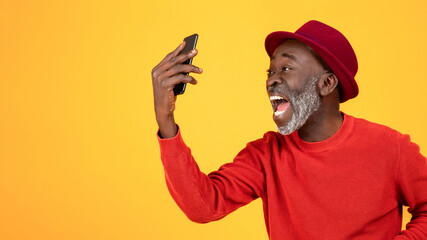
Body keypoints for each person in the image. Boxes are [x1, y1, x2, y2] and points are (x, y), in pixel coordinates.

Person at [151, 20, 427, 239]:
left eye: (286, 68)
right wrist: (166, 118)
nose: (272, 81)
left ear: (327, 84)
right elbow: (204, 206)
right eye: (270, 71)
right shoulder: (266, 155)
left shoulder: (390, 147)